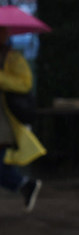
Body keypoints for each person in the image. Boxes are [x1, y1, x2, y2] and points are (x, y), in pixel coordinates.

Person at [0, 27, 43, 211]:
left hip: (4, 120)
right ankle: (24, 184)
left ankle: (23, 184)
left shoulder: (13, 58)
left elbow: (25, 83)